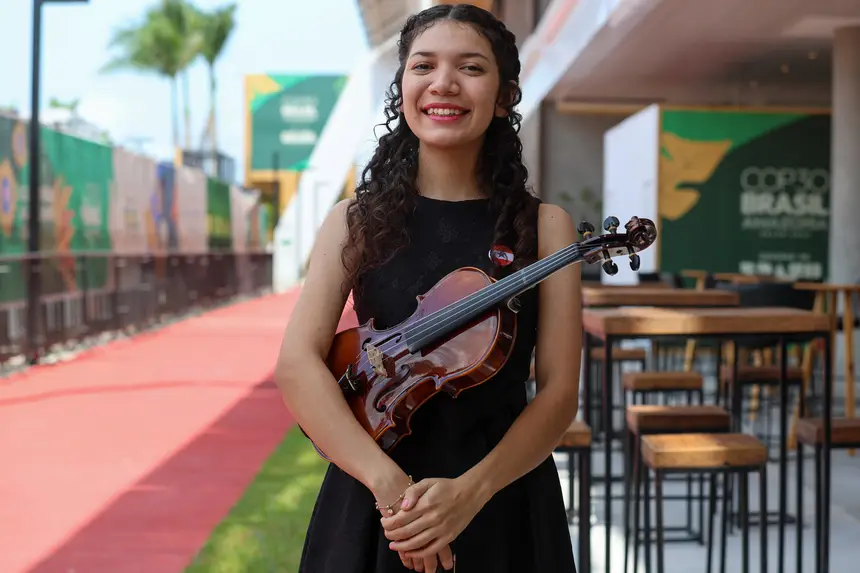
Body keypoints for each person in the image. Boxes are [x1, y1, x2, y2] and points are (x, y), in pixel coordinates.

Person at [274, 4, 582, 572]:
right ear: (402, 86)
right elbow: (297, 363)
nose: (444, 84)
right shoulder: (355, 219)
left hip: (503, 500)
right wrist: (391, 488)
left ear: (505, 94)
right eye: (424, 66)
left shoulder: (546, 227)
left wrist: (470, 492)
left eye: (470, 68)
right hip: (376, 505)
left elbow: (560, 394)